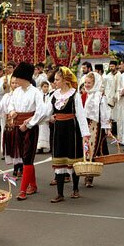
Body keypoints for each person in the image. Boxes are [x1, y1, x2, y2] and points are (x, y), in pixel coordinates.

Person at [46, 67, 90, 203]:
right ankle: (60, 193)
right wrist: (43, 119)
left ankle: (75, 189)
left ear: (65, 80)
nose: (55, 82)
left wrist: (85, 135)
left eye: (57, 80)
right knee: (59, 160)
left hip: (72, 130)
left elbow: (81, 116)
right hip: (58, 130)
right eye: (54, 80)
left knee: (73, 159)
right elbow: (45, 113)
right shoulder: (53, 95)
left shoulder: (74, 95)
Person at [8, 62, 46, 201]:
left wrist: (29, 124)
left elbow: (41, 111)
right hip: (18, 125)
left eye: (17, 77)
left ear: (24, 77)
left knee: (28, 156)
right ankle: (33, 184)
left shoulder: (36, 92)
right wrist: (12, 111)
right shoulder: (16, 92)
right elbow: (11, 104)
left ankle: (23, 190)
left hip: (29, 127)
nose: (15, 80)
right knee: (25, 157)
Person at [82, 72, 112, 187]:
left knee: (92, 150)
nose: (87, 85)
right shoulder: (84, 94)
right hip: (85, 124)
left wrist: (107, 128)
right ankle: (84, 172)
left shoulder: (100, 96)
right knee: (84, 150)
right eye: (85, 82)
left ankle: (89, 176)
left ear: (95, 83)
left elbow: (105, 112)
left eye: (89, 83)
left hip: (95, 125)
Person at [0, 77, 22, 175]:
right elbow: (1, 109)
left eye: (16, 83)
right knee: (12, 145)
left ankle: (20, 166)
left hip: (19, 123)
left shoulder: (22, 96)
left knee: (19, 145)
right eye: (12, 83)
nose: (15, 85)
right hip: (9, 124)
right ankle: (15, 167)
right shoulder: (7, 96)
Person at [103, 60, 121, 136]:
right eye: (110, 66)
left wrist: (116, 96)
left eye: (112, 66)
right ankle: (110, 130)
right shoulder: (108, 76)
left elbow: (119, 87)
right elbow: (105, 86)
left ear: (116, 66)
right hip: (108, 97)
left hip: (116, 98)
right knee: (109, 115)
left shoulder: (119, 75)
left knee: (116, 115)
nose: (111, 68)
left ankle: (116, 131)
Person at [37, 81, 51, 153]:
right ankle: (40, 147)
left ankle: (48, 146)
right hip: (40, 115)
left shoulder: (50, 95)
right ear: (41, 87)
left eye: (47, 87)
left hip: (47, 115)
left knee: (46, 132)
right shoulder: (39, 95)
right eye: (44, 87)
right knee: (40, 132)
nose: (46, 88)